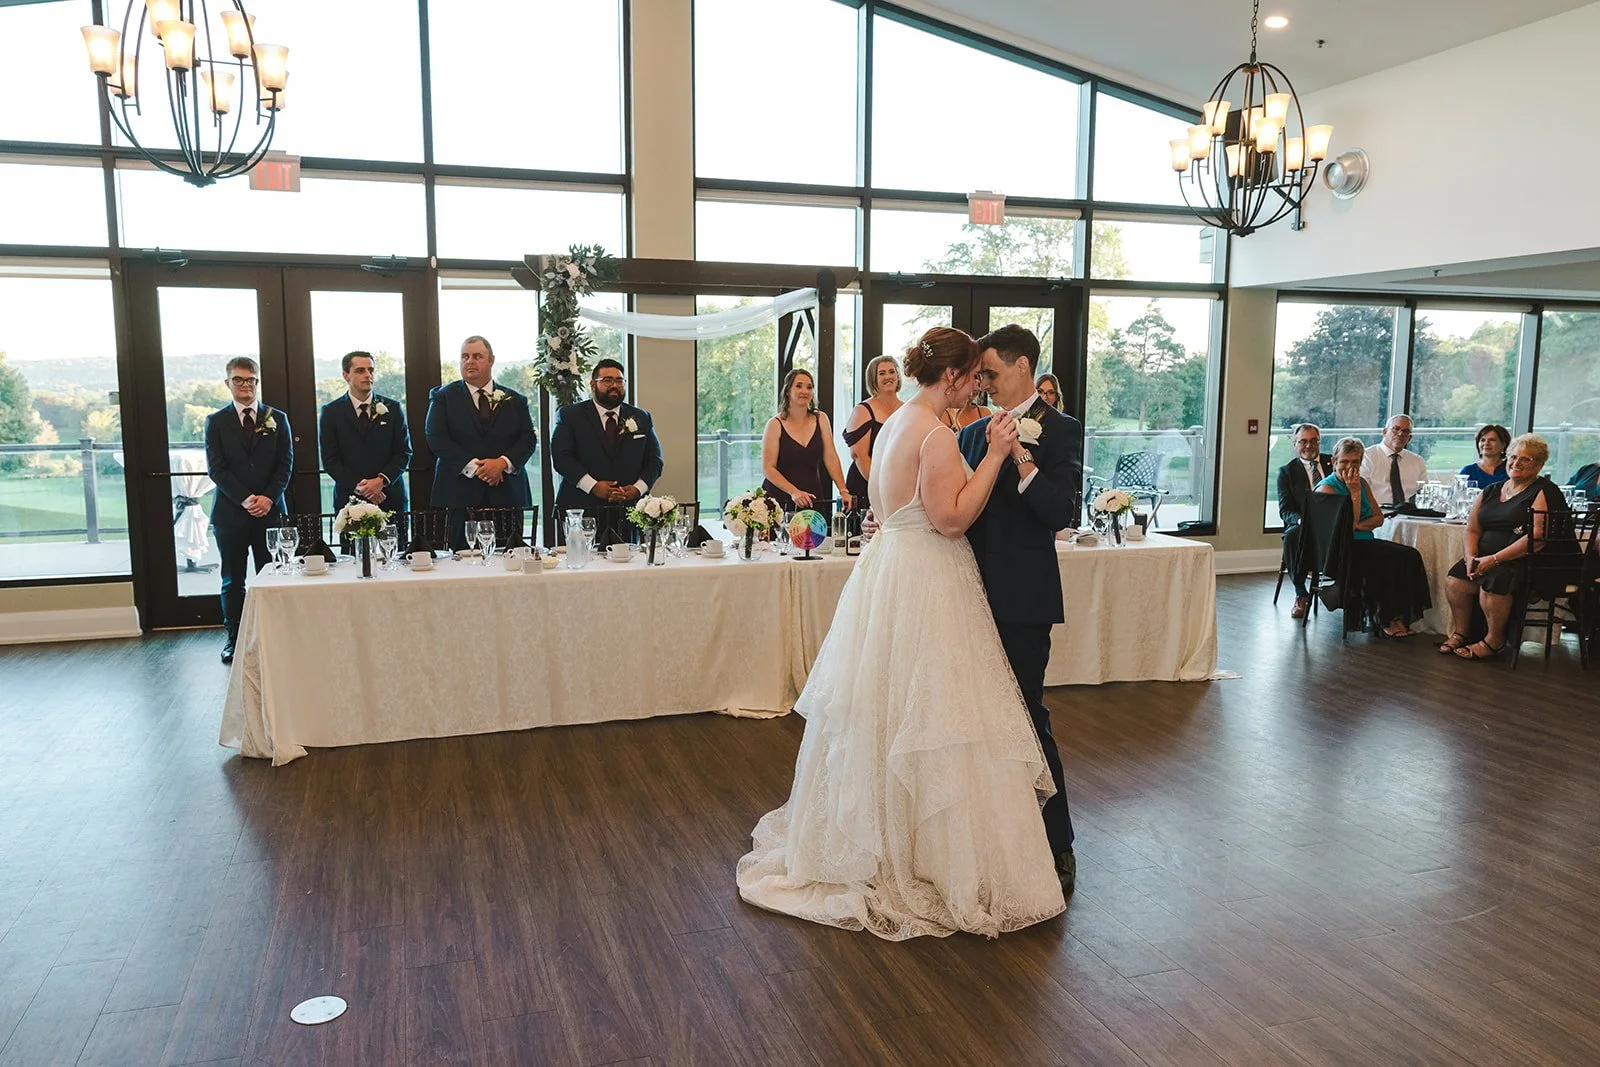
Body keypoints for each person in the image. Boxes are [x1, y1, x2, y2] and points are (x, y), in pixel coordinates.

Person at [738, 326, 1065, 940]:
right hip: (927, 577)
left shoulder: (893, 426)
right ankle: (927, 858)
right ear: (950, 378)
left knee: (887, 709)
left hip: (887, 573)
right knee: (936, 713)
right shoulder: (937, 435)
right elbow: (949, 520)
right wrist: (995, 455)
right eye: (971, 377)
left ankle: (889, 838)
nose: (976, 386)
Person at [959, 323, 1082, 889]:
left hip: (1024, 599)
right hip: (967, 595)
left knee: (1029, 717)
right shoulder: (971, 432)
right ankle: (989, 837)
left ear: (1023, 367)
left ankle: (1058, 842)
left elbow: (1061, 512)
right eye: (979, 375)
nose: (982, 382)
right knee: (973, 721)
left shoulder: (1061, 430)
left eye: (990, 372)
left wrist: (1021, 463)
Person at [1440, 434, 1571, 660]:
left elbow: (1537, 538)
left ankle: (1495, 640)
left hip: (1528, 560)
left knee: (1496, 578)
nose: (1516, 463)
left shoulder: (1544, 491)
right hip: (1486, 557)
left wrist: (1493, 560)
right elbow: (1472, 529)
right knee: (1456, 580)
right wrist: (1471, 557)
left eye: (1526, 459)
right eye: (1513, 457)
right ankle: (1462, 632)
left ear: (1539, 465)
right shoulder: (1491, 490)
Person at [204, 357, 292, 665]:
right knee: (233, 579)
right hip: (231, 514)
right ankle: (235, 638)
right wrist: (245, 499)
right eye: (239, 380)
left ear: (257, 382)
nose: (246, 385)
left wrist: (268, 498)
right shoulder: (215, 422)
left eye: (251, 380)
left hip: (270, 513)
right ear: (228, 383)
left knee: (273, 576)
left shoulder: (277, 418)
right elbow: (217, 468)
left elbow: (285, 464)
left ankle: (276, 637)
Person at [423, 335, 537, 550]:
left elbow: (528, 438)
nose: (469, 361)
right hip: (460, 494)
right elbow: (436, 437)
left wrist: (502, 464)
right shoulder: (442, 397)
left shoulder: (515, 400)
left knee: (510, 559)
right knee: (463, 561)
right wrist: (478, 468)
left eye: (477, 356)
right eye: (464, 356)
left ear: (491, 360)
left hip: (507, 493)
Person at [1313, 437, 1431, 638]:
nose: (1349, 467)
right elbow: (1346, 528)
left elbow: (1378, 518)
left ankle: (1400, 615)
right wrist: (1354, 494)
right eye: (1344, 462)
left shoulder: (1362, 482)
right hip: (1339, 550)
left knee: (1409, 555)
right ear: (1334, 462)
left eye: (1355, 462)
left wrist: (1357, 522)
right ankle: (1384, 619)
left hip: (1364, 540)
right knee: (1382, 562)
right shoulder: (1327, 488)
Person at [551, 359, 664, 546]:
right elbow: (562, 458)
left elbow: (655, 461)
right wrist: (594, 486)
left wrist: (637, 489)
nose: (614, 386)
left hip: (626, 511)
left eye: (619, 381)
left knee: (626, 568)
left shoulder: (641, 417)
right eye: (607, 380)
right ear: (593, 384)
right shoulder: (570, 415)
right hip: (581, 509)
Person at [318, 351, 411, 519]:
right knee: (352, 547)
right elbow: (330, 460)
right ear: (346, 375)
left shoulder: (393, 408)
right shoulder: (331, 413)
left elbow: (403, 452)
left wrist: (380, 481)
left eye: (371, 370)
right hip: (349, 500)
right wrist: (362, 488)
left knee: (394, 545)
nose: (368, 375)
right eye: (360, 371)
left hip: (389, 497)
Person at [760, 368, 851, 516]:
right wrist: (794, 492)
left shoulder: (821, 418)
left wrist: (843, 490)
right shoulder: (774, 424)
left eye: (809, 387)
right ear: (788, 390)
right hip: (779, 501)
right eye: (799, 386)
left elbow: (831, 457)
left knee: (815, 539)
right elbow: (768, 468)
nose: (805, 391)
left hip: (812, 499)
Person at [1277, 422, 1333, 619]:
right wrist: (1302, 521)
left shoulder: (1334, 463)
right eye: (1303, 441)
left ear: (1319, 442)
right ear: (1295, 444)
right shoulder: (1287, 472)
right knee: (1292, 536)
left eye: (1313, 441)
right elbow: (1285, 511)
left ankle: (1342, 590)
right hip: (1303, 526)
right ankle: (1301, 593)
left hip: (1334, 523)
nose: (1308, 446)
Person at [842, 355, 903, 512]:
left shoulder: (907, 410)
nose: (888, 377)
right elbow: (859, 455)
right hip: (866, 485)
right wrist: (881, 488)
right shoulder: (863, 410)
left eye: (892, 372)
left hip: (898, 486)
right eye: (882, 373)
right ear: (873, 379)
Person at [1360, 414, 1427, 507]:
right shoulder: (1366, 457)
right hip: (1376, 512)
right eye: (1396, 429)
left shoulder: (1417, 461)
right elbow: (1360, 491)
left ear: (1409, 438)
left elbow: (1425, 493)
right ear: (1384, 431)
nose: (1400, 434)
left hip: (1409, 514)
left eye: (1406, 431)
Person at [1459, 423, 1510, 489]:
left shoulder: (1510, 470)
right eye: (1482, 440)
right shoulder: (1468, 472)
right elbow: (1456, 496)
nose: (1486, 443)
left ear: (1503, 445)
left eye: (1492, 440)